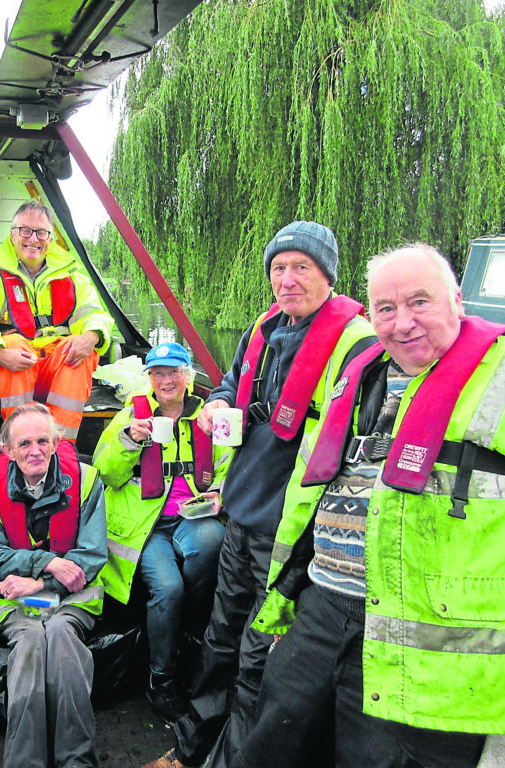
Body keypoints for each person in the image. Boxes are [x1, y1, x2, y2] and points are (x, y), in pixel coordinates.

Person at [234, 244, 505, 768]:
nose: (401, 323)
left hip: (431, 645)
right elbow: (308, 490)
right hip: (322, 607)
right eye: (384, 308)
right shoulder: (363, 373)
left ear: (457, 300)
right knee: (272, 747)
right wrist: (285, 594)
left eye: (419, 302)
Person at [143, 221, 376, 768]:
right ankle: (191, 748)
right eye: (278, 268)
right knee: (221, 639)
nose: (287, 279)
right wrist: (219, 405)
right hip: (242, 515)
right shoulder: (263, 328)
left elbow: (352, 446)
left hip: (293, 533)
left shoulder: (357, 345)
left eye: (302, 267)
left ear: (327, 275)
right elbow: (228, 384)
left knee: (257, 657)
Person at [94, 342, 231, 723]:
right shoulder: (129, 417)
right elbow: (104, 472)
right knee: (167, 588)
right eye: (158, 373)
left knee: (210, 544)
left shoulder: (208, 416)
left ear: (188, 376)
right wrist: (128, 441)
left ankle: (187, 632)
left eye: (174, 372)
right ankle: (161, 677)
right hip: (146, 527)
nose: (166, 380)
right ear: (149, 379)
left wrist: (219, 491)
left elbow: (229, 463)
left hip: (193, 517)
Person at [0, 402, 108, 768]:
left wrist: (41, 584)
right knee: (30, 641)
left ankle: (77, 761)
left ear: (57, 442)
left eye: (43, 441)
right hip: (12, 601)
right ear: (7, 450)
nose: (35, 451)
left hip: (70, 598)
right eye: (25, 443)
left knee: (62, 637)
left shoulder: (88, 480)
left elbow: (90, 556)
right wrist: (46, 563)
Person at [0, 200, 115, 442]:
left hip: (53, 372)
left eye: (41, 232)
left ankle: (60, 450)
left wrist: (91, 336)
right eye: (26, 231)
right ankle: (22, 444)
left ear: (50, 239)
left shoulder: (74, 277)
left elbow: (96, 314)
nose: (34, 239)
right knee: (13, 346)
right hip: (6, 372)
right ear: (12, 235)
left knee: (79, 349)